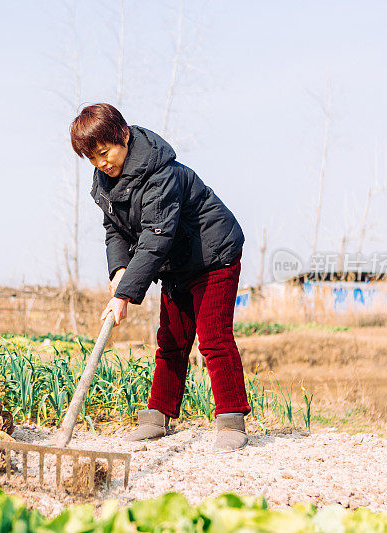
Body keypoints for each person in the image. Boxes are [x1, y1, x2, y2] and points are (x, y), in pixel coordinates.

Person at [70, 103, 251, 452]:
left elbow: (156, 236)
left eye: (104, 153)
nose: (101, 164)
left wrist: (123, 296)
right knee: (171, 340)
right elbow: (114, 229)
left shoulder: (160, 173)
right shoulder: (106, 180)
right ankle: (158, 415)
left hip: (213, 256)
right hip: (176, 264)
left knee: (213, 337)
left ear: (123, 136)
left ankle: (231, 420)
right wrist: (119, 269)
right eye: (92, 159)